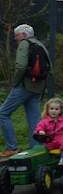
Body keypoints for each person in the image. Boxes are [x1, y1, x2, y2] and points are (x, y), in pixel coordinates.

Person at [0, 24, 49, 157]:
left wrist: (15, 83)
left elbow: (21, 66)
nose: (15, 38)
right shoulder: (41, 45)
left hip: (24, 86)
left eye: (17, 35)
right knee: (34, 118)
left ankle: (12, 147)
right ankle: (36, 149)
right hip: (37, 87)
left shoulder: (24, 44)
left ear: (24, 35)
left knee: (3, 113)